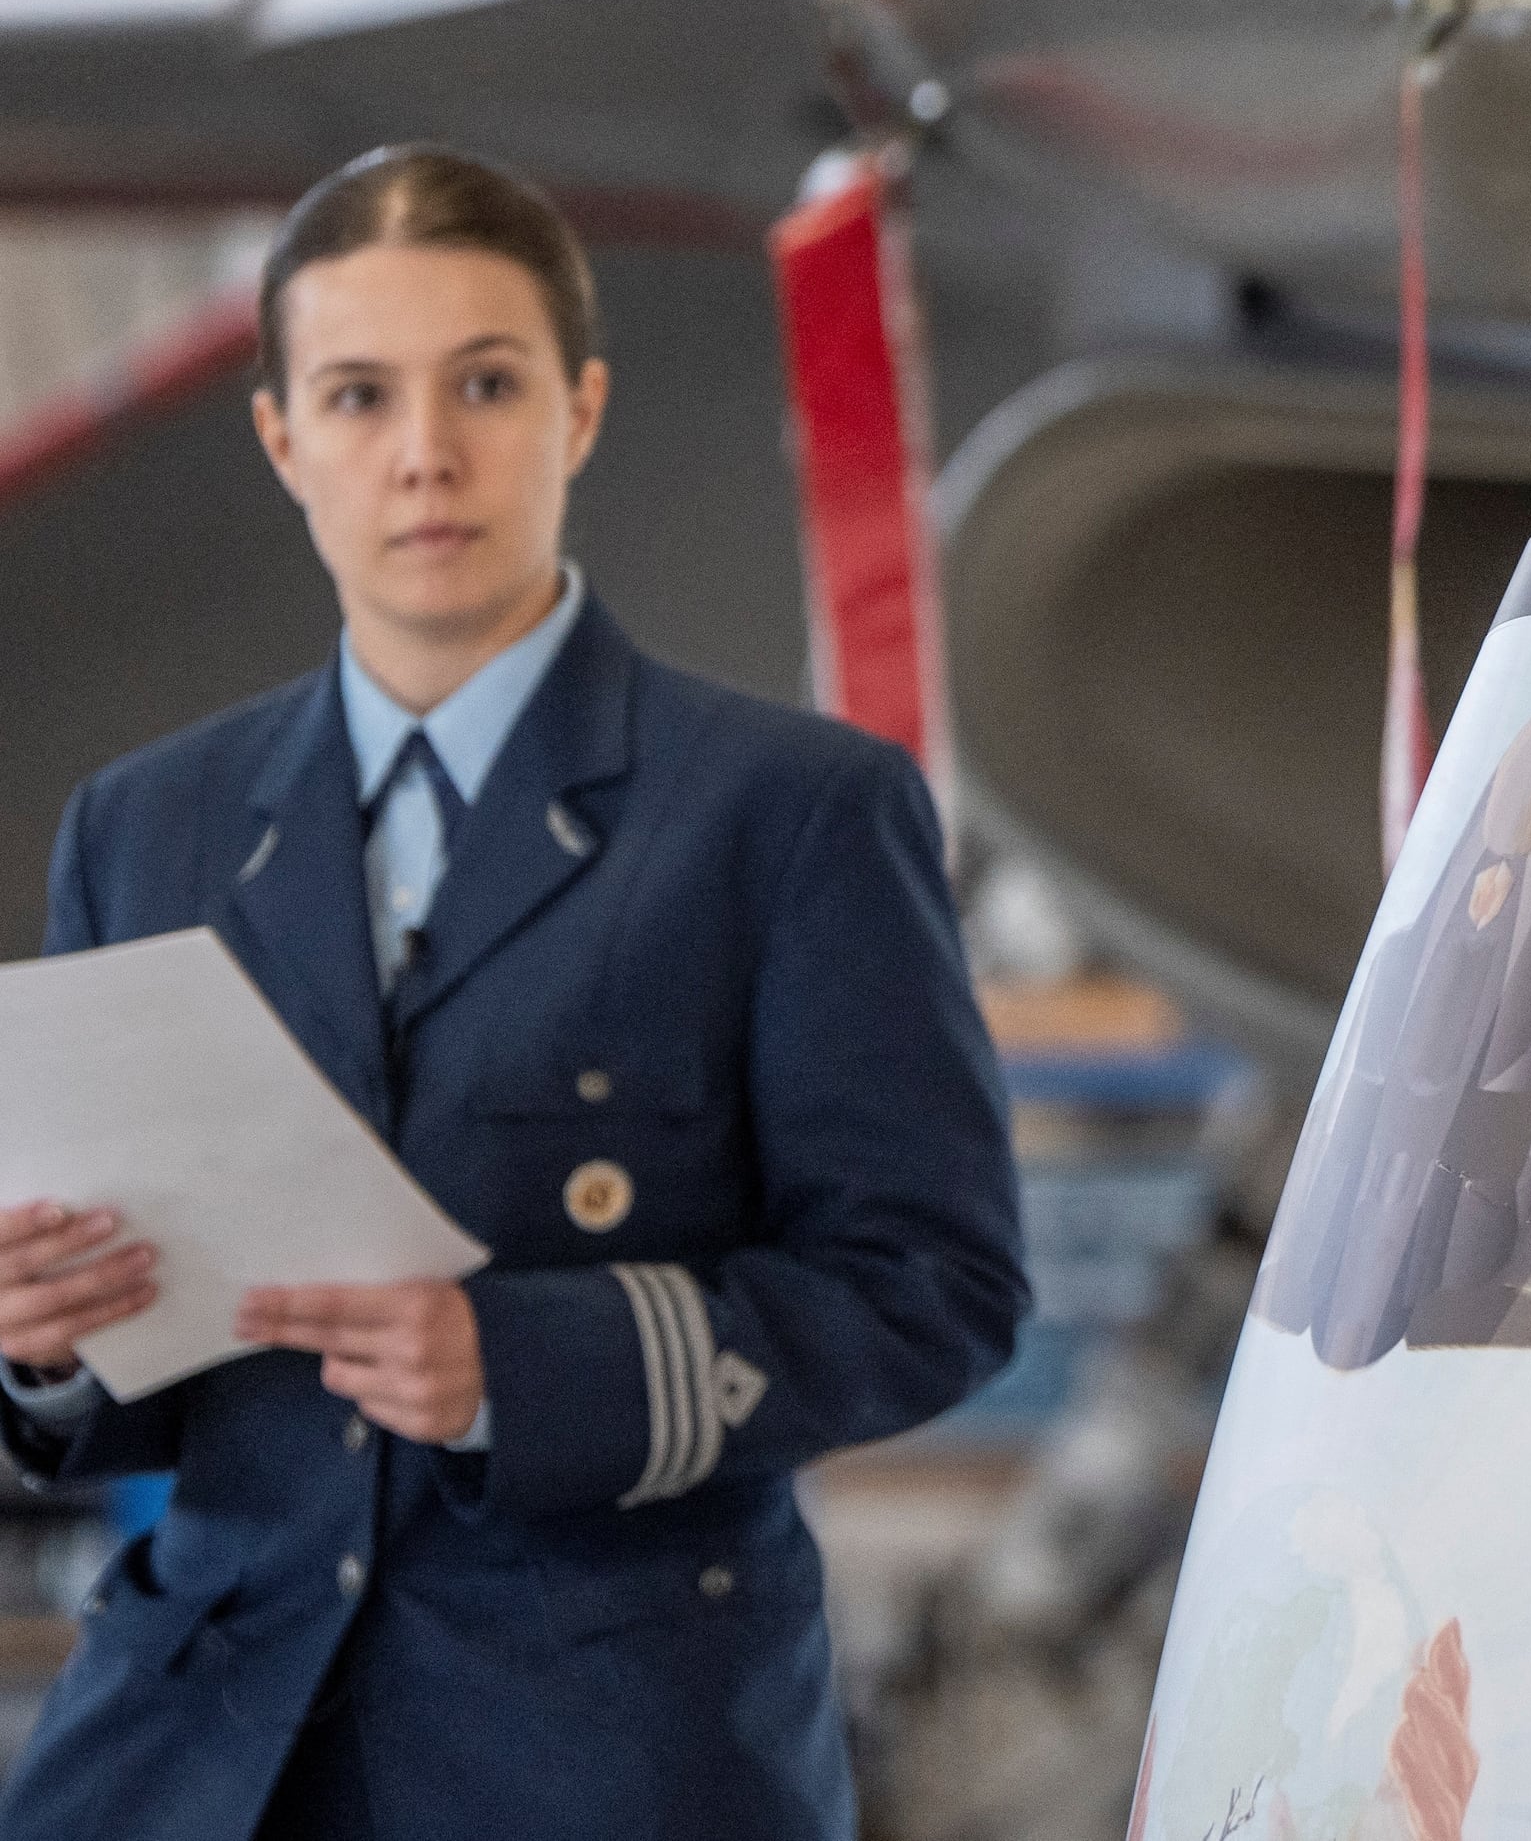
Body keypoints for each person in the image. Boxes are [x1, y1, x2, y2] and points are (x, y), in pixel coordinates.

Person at [0, 145, 1029, 1841]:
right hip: (206, 1739)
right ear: (282, 441)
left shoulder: (789, 812)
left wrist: (524, 1367)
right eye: (356, 395)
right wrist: (42, 1338)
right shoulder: (145, 822)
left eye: (487, 382)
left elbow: (939, 1283)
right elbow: (131, 1378)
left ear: (583, 410)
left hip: (607, 1747)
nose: (425, 453)